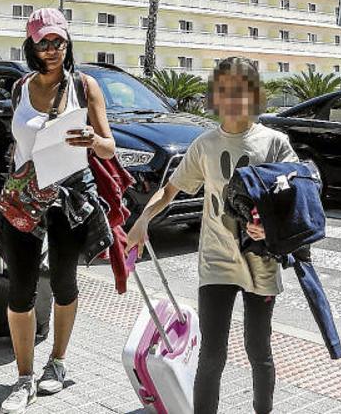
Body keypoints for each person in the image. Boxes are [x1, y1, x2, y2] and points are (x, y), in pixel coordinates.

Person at [128, 56, 295, 414]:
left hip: (261, 261)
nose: (232, 99)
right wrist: (143, 220)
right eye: (224, 91)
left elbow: (296, 199)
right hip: (216, 259)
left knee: (258, 349)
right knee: (212, 353)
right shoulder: (204, 145)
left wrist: (269, 224)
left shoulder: (275, 142)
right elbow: (170, 190)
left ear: (254, 95)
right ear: (215, 97)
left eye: (241, 90)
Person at [0, 8, 116, 414]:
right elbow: (18, 145)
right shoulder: (20, 88)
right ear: (31, 46)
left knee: (64, 284)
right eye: (42, 42)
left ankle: (58, 363)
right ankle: (24, 377)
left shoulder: (85, 85)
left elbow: (109, 147)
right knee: (19, 290)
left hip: (69, 197)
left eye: (57, 41)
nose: (51, 49)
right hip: (24, 198)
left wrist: (91, 139)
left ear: (67, 42)